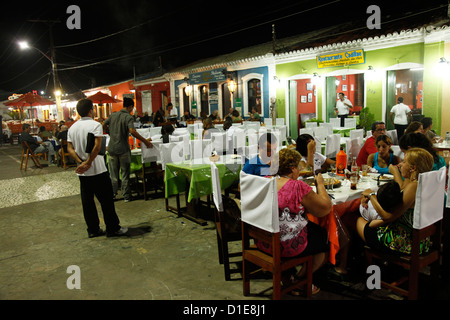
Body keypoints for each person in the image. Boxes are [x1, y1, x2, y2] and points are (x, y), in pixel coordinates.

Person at [255, 148, 332, 294]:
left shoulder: (264, 181)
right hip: (286, 245)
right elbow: (324, 209)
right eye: (298, 167)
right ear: (292, 168)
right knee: (322, 238)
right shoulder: (297, 187)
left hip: (263, 240)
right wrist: (320, 184)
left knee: (310, 229)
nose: (299, 170)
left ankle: (287, 275)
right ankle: (299, 280)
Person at [67, 99, 128, 238]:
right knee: (106, 201)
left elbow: (69, 148)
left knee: (87, 202)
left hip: (82, 173)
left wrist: (80, 162)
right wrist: (88, 162)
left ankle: (93, 229)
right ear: (90, 110)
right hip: (97, 169)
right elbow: (97, 146)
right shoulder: (95, 125)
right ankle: (113, 228)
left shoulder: (72, 128)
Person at [357, 148, 434, 254]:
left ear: (413, 167)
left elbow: (388, 216)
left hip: (405, 242)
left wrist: (371, 196)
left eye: (404, 161)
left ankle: (368, 264)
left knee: (359, 221)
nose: (400, 164)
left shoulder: (414, 186)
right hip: (420, 239)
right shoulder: (421, 182)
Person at [103, 97, 153, 202]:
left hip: (112, 149)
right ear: (130, 107)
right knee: (125, 174)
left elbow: (103, 124)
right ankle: (126, 196)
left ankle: (112, 194)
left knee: (113, 175)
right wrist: (145, 141)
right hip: (123, 149)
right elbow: (132, 131)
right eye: (132, 108)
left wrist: (108, 132)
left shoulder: (113, 115)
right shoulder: (128, 117)